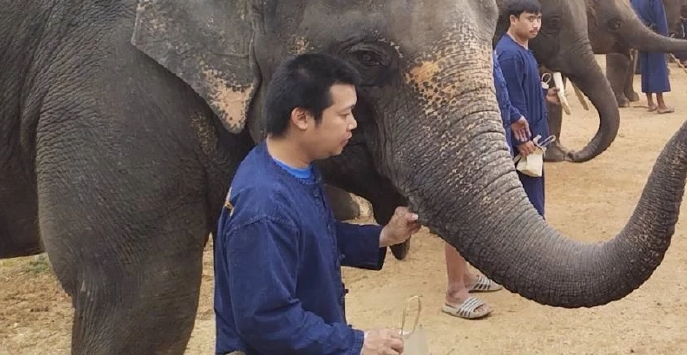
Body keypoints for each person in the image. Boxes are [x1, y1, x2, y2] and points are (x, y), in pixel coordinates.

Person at [214, 54, 422, 355]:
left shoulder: (293, 167)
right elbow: (267, 321)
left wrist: (384, 236)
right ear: (302, 118)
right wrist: (357, 343)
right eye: (344, 114)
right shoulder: (263, 208)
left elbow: (312, 234)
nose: (352, 124)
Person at [442, 51, 521, 320]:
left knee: (472, 213)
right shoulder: (455, 46)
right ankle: (454, 292)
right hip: (464, 139)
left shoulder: (485, 43)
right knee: (458, 214)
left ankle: (465, 276)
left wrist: (512, 116)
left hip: (487, 136)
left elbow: (497, 88)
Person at [497, 0, 555, 211]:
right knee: (528, 207)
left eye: (538, 19)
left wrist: (544, 95)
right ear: (513, 20)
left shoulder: (522, 50)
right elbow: (509, 101)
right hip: (525, 144)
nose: (536, 24)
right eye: (530, 19)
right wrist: (521, 139)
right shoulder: (510, 55)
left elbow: (522, 90)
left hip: (533, 140)